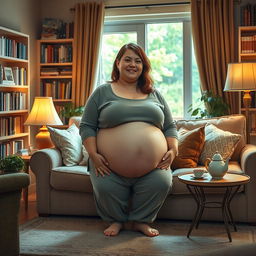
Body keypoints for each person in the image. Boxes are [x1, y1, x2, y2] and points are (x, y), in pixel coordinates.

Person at [79, 43, 178, 237]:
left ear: (143, 66)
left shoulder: (154, 94)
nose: (133, 64)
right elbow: (87, 126)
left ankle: (140, 221)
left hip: (153, 167)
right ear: (118, 63)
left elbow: (170, 127)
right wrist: (93, 154)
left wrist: (173, 150)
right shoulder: (102, 92)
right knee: (105, 187)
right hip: (107, 165)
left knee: (162, 183)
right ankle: (115, 221)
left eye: (138, 61)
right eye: (127, 59)